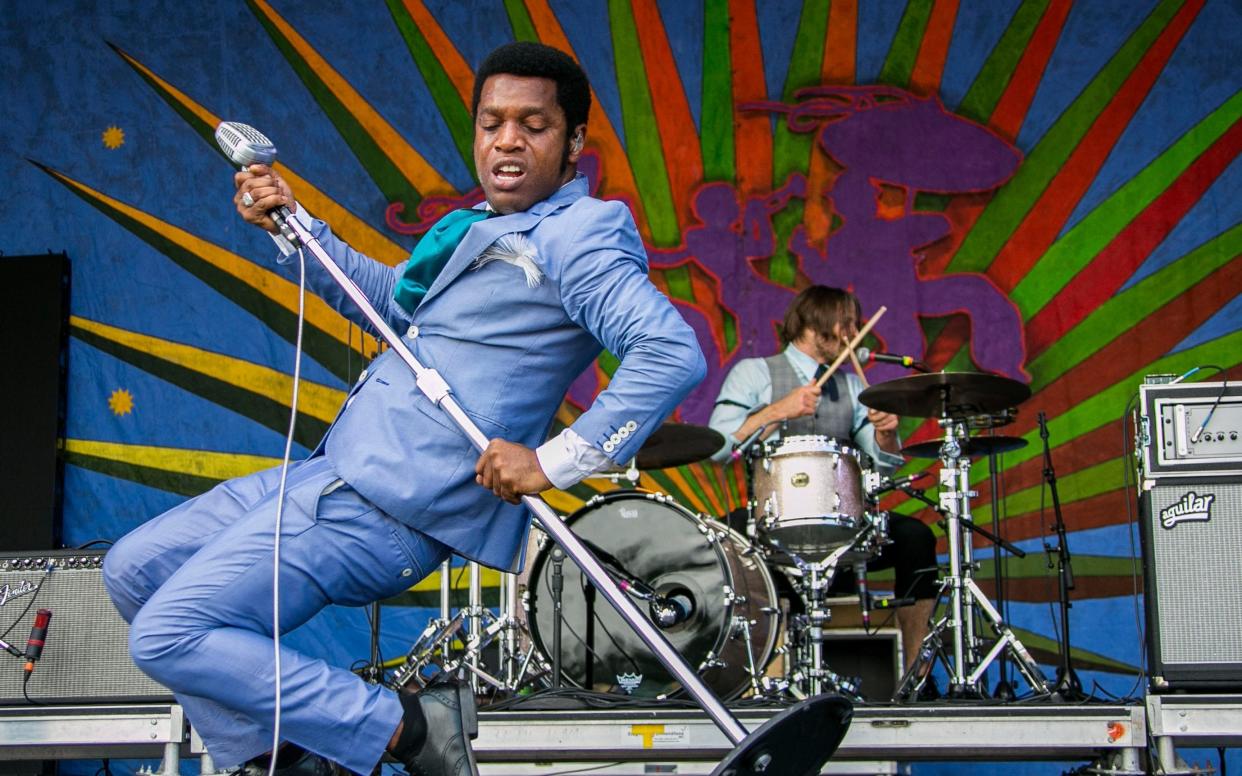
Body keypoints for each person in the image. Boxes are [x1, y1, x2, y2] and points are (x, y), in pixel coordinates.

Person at [103, 42, 705, 776]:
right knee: (132, 571)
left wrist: (554, 461)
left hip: (390, 505)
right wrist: (295, 227)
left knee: (168, 633)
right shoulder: (479, 226)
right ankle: (275, 756)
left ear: (575, 140)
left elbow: (669, 353)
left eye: (533, 124)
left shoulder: (580, 233)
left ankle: (399, 725)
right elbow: (393, 305)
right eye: (491, 123)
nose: (507, 140)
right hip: (332, 474)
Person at [707, 285, 937, 680]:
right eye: (845, 324)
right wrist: (777, 411)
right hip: (771, 519)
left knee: (916, 538)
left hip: (841, 521)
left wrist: (885, 434)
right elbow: (718, 446)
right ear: (815, 323)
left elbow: (878, 471)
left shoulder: (851, 387)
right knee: (716, 544)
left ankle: (916, 673)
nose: (852, 334)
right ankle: (742, 676)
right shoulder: (755, 372)